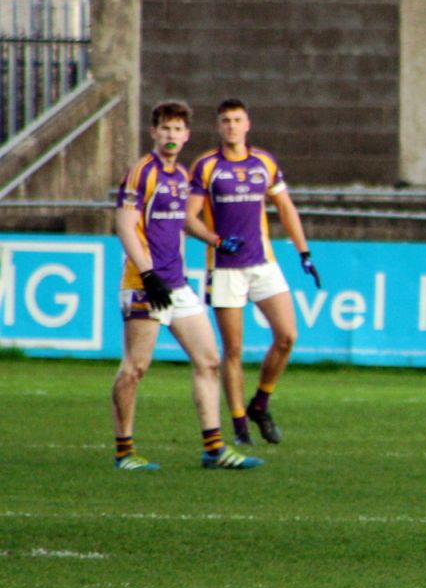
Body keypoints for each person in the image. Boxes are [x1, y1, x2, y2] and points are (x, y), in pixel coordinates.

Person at [111, 100, 262, 471]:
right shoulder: (141, 172)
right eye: (165, 128)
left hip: (177, 284)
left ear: (187, 135)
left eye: (178, 129)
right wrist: (147, 273)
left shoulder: (180, 177)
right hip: (144, 282)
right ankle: (124, 451)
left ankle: (214, 449)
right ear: (153, 133)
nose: (171, 135)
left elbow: (178, 227)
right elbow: (125, 226)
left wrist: (213, 240)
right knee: (136, 367)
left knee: (209, 360)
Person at [184, 98, 321, 447]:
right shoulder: (206, 166)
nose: (231, 126)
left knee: (287, 336)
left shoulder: (264, 162)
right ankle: (240, 425)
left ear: (248, 124)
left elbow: (286, 208)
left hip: (263, 264)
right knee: (233, 350)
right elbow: (188, 217)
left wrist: (304, 252)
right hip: (226, 268)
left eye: (237, 120)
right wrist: (215, 240)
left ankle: (260, 403)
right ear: (219, 127)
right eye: (225, 120)